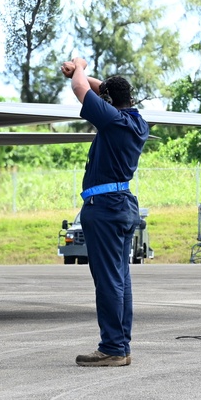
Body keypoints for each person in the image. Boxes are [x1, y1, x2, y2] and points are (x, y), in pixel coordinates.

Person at [61, 57, 149, 367]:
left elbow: (81, 88)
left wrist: (80, 66)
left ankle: (112, 347)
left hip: (106, 209)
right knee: (120, 279)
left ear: (108, 102)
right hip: (122, 205)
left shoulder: (111, 121)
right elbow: (96, 88)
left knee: (109, 280)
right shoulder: (137, 121)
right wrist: (83, 75)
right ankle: (120, 346)